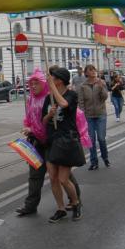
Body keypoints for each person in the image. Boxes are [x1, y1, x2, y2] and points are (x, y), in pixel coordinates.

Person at [14, 68, 81, 217]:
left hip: (58, 141)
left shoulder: (58, 95)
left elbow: (67, 108)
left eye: (36, 83)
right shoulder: (32, 99)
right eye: (31, 83)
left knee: (64, 176)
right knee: (37, 175)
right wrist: (29, 128)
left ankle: (75, 200)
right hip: (39, 142)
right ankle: (32, 206)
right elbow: (34, 119)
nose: (33, 86)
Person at [42, 66, 83, 222]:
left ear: (59, 80)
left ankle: (76, 203)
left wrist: (52, 87)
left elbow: (64, 104)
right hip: (51, 141)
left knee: (63, 179)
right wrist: (49, 115)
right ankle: (60, 208)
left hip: (66, 140)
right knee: (53, 178)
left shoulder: (71, 94)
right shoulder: (49, 98)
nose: (50, 80)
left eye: (53, 78)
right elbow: (43, 121)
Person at [78, 64, 110, 169]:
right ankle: (94, 162)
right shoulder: (83, 86)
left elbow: (105, 97)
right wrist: (83, 116)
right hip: (89, 116)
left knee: (101, 138)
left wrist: (101, 88)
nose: (93, 71)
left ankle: (105, 157)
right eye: (90, 70)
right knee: (91, 140)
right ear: (86, 73)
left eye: (94, 69)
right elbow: (81, 102)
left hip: (101, 114)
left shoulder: (101, 82)